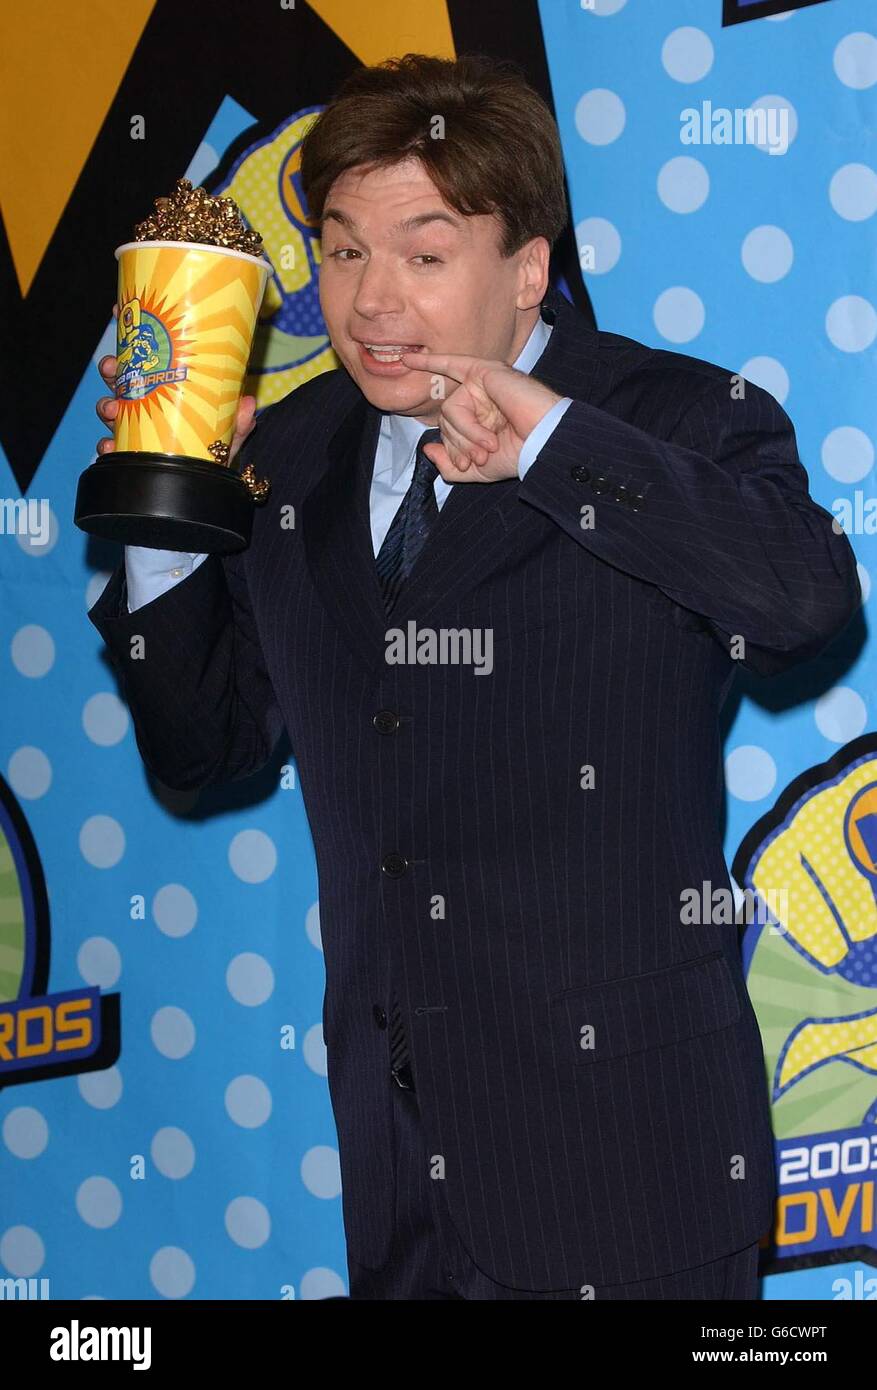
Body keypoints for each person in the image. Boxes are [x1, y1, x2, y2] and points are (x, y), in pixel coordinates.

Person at [89, 53, 860, 1300]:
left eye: (424, 252)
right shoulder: (291, 455)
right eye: (342, 253)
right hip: (397, 1178)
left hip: (629, 1166)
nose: (372, 302)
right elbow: (205, 749)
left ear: (529, 270)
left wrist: (552, 445)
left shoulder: (671, 418)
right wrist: (164, 507)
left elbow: (803, 601)